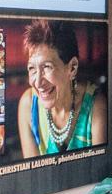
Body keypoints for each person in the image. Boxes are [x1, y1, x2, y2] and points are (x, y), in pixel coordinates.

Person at [18, 20, 106, 157]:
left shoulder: (96, 107)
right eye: (32, 68)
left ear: (72, 68)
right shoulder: (28, 104)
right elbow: (32, 170)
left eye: (47, 67)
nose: (38, 82)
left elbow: (101, 169)